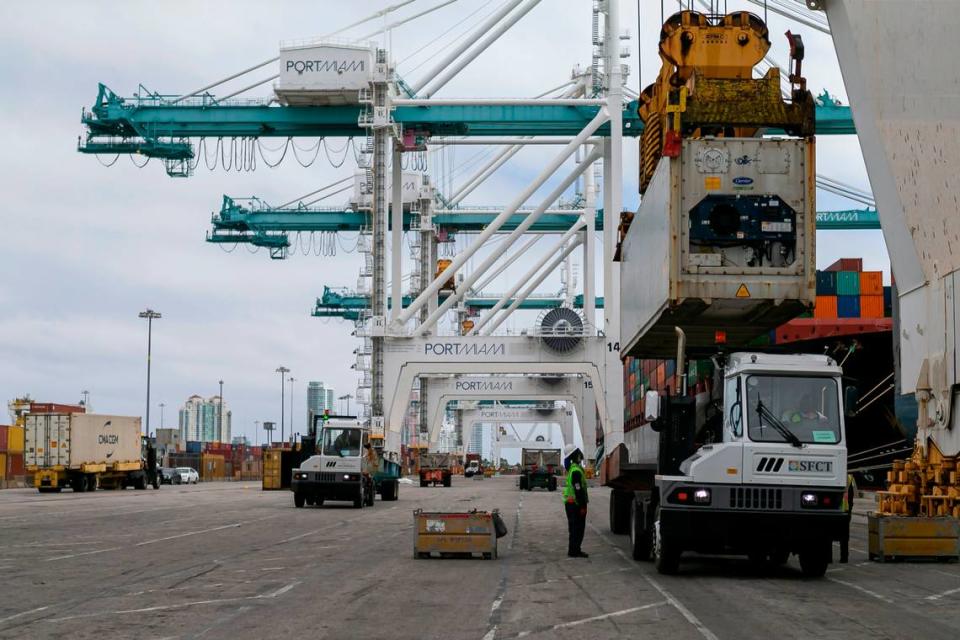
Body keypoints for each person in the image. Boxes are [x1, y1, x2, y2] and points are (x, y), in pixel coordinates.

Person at [562, 444, 589, 558]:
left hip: (570, 504)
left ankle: (574, 549)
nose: (580, 455)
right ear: (574, 455)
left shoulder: (572, 469)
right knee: (577, 528)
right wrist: (583, 505)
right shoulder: (576, 471)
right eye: (578, 453)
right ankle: (574, 551)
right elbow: (578, 489)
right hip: (575, 505)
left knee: (573, 528)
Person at [840, 473, 857, 563]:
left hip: (834, 510)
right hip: (846, 511)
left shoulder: (836, 474)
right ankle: (844, 557)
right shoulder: (850, 478)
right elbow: (854, 495)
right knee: (844, 536)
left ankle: (829, 558)